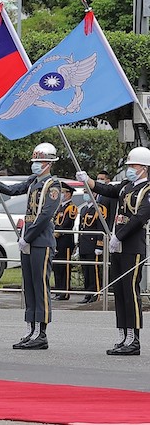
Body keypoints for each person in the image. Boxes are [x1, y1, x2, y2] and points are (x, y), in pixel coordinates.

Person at [0, 142, 60, 350]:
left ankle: (41, 333)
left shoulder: (52, 186)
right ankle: (31, 328)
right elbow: (12, 190)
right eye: (35, 161)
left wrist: (28, 238)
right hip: (27, 239)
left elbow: (45, 215)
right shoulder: (33, 181)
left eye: (39, 161)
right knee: (29, 286)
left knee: (40, 285)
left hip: (41, 240)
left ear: (48, 163)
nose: (35, 165)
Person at [78, 146, 150, 355]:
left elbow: (139, 217)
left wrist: (119, 236)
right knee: (118, 292)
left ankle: (134, 339)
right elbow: (108, 190)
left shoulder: (147, 190)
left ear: (144, 168)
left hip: (133, 247)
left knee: (130, 292)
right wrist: (89, 181)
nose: (130, 169)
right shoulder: (126, 186)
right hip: (118, 247)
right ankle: (123, 335)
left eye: (133, 166)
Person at [76, 172, 110, 304]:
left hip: (93, 244)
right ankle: (87, 293)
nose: (85, 194)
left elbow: (101, 228)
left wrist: (99, 246)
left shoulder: (99, 209)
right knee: (86, 271)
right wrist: (78, 246)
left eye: (87, 191)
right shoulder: (84, 209)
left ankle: (96, 293)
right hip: (84, 244)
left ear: (94, 193)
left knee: (93, 270)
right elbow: (81, 228)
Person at [51, 183, 78, 301]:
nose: (62, 194)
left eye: (64, 192)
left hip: (65, 240)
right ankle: (58, 290)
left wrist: (57, 232)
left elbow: (67, 223)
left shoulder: (71, 208)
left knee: (65, 267)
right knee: (57, 267)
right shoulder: (59, 207)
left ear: (69, 194)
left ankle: (65, 292)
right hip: (56, 240)